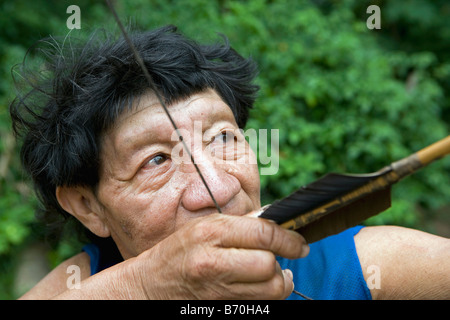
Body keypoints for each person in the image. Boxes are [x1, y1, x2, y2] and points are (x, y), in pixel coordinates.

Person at [10, 25, 449, 300]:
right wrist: (145, 287)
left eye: (223, 137)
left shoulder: (360, 268)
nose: (219, 189)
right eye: (157, 160)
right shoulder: (85, 283)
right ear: (87, 205)